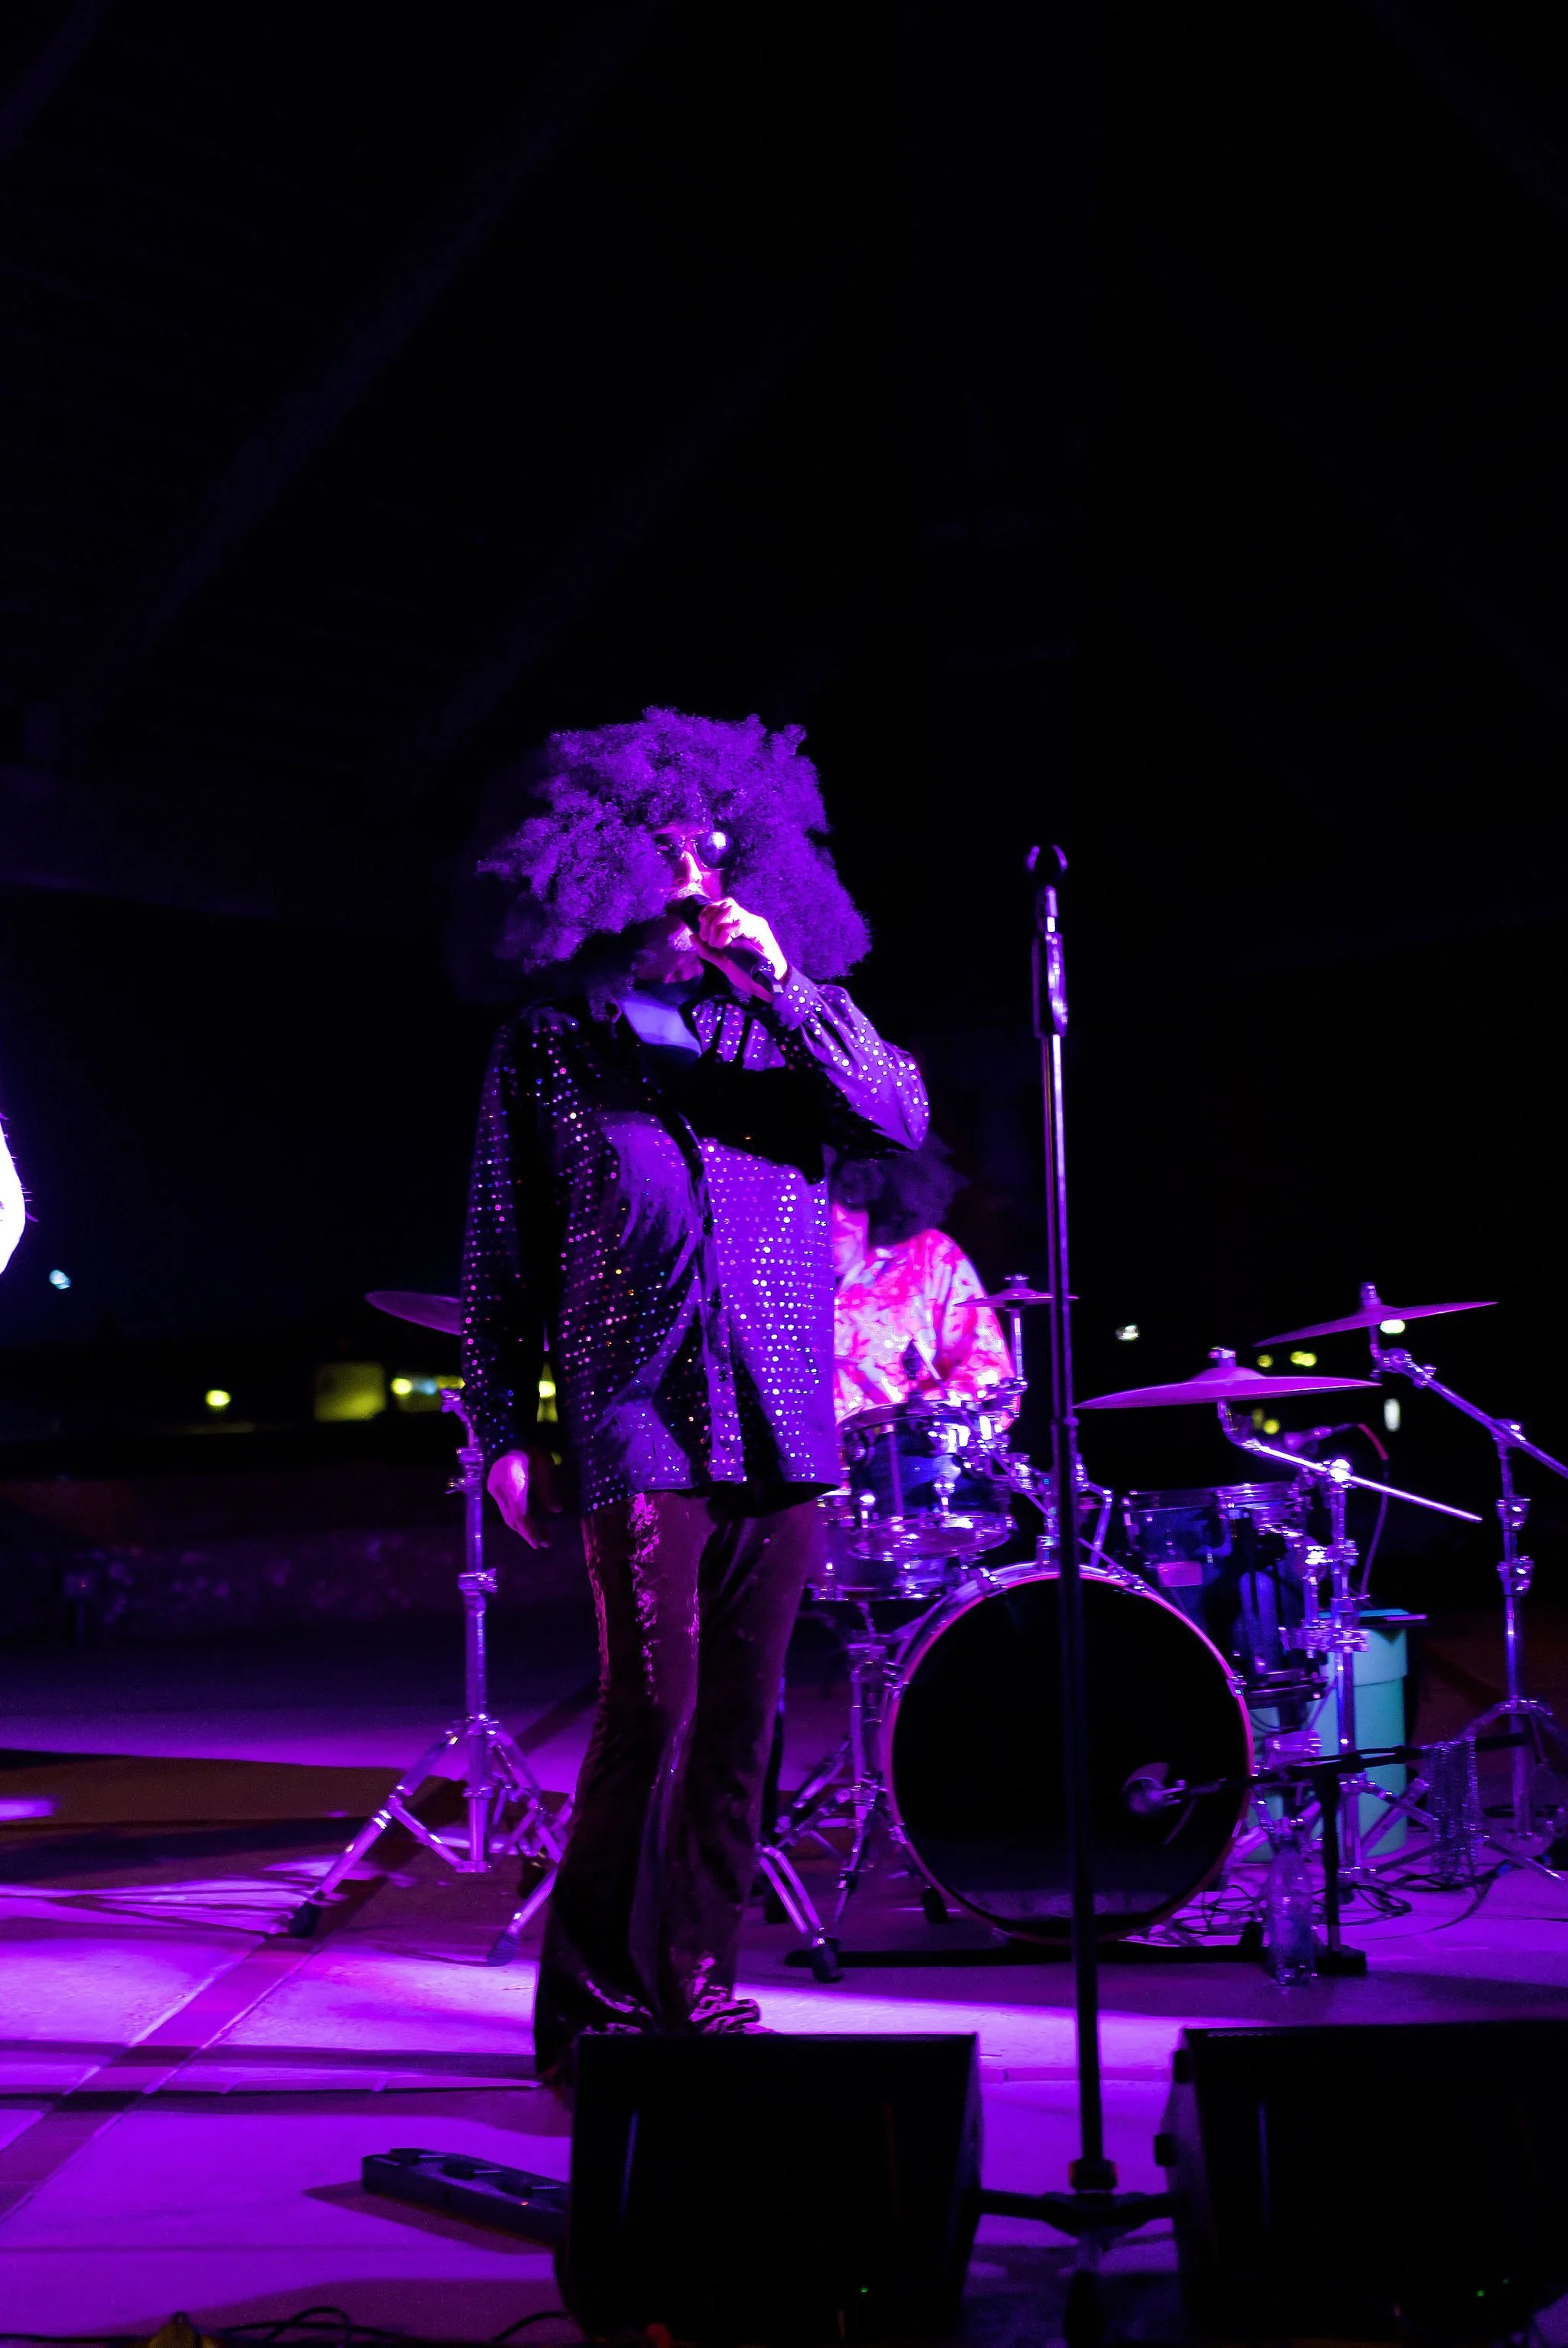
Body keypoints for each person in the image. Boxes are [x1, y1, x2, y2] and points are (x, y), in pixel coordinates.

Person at [460, 708, 926, 2085]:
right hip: (635, 1407)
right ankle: (595, 2010)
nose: (698, 871)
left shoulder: (784, 1037)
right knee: (650, 1710)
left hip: (783, 1412)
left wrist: (790, 990)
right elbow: (501, 1246)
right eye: (667, 847)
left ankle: (700, 1987)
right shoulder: (553, 1044)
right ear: (602, 869)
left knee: (746, 1722)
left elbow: (895, 1117)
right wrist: (502, 1426)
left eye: (714, 847)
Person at [829, 1140, 1014, 1421]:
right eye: (820, 1204)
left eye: (852, 1195)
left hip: (914, 1456)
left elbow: (991, 1375)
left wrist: (919, 1418)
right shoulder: (770, 1285)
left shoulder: (929, 1258)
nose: (838, 1216)